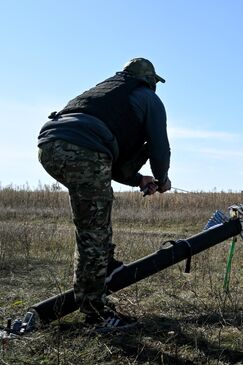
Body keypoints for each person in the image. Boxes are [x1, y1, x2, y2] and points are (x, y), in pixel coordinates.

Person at [37, 57, 172, 330]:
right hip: (82, 150)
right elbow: (159, 148)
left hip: (50, 146)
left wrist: (139, 179)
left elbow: (106, 162)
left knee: (93, 222)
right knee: (92, 233)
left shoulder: (104, 92)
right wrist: (162, 178)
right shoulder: (147, 98)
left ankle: (104, 266)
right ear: (149, 80)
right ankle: (96, 315)